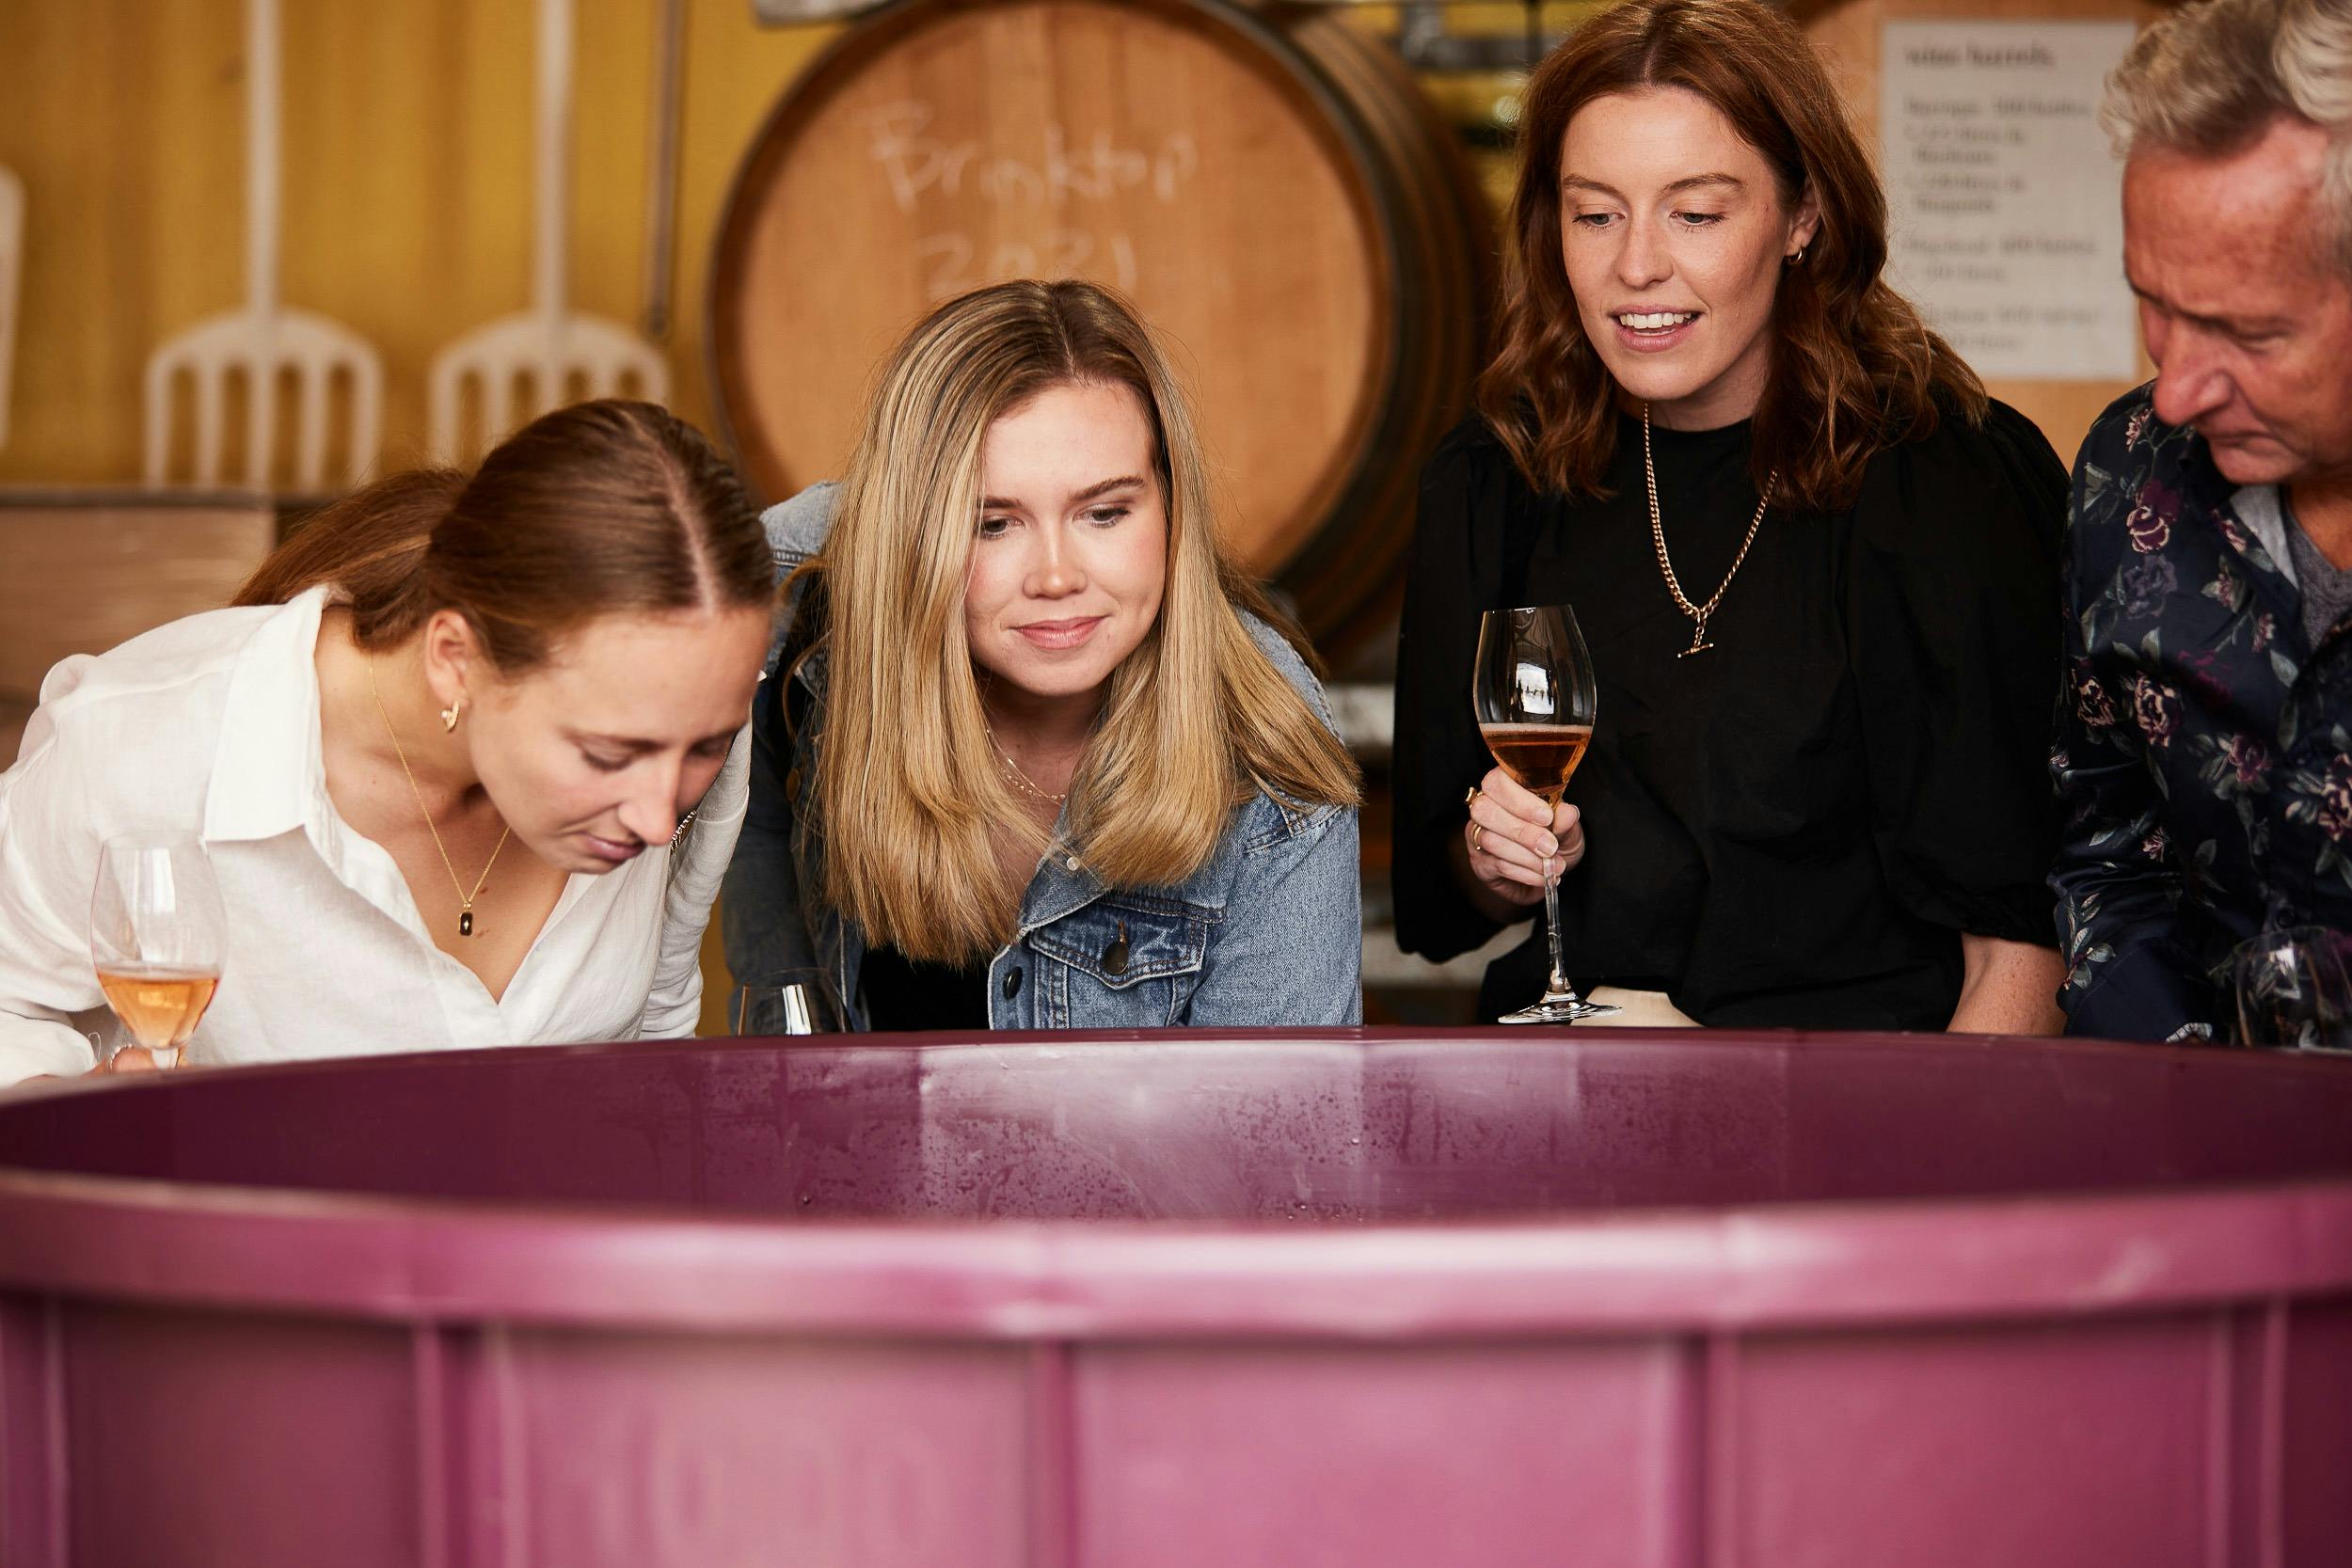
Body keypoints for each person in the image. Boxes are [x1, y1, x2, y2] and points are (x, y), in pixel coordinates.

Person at [1392, 0, 2068, 1032]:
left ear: (1804, 216)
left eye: (1695, 214)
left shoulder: (1944, 480)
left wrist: (1933, 1180)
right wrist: (1498, 855)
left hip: (1853, 1105)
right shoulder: (1500, 476)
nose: (1635, 266)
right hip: (1577, 1074)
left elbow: (2020, 950)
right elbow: (1446, 906)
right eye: (1595, 212)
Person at [0, 400, 772, 1085]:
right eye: (607, 755)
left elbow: (659, 1039)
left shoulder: (672, 751)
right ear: (454, 659)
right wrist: (67, 1107)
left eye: (709, 744)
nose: (655, 815)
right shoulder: (157, 743)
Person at [722, 279, 1362, 1028]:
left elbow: (1273, 1132)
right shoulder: (814, 621)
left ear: (1172, 505)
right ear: (909, 537)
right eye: (993, 524)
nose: (1056, 576)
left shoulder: (1266, 752)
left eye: (1104, 512)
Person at [2053, 0, 2352, 1041]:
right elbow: (2101, 849)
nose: (2173, 391)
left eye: (2244, 331)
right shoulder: (2127, 471)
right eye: (2154, 301)